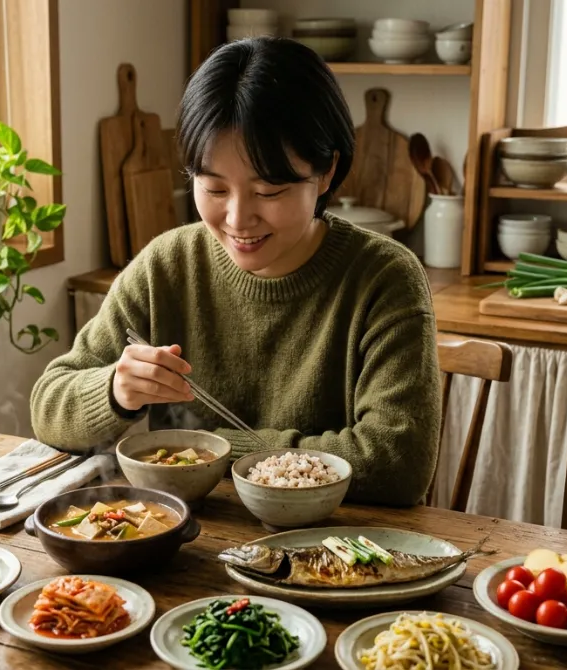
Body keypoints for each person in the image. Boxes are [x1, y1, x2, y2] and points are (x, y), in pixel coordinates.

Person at [30, 37, 440, 506]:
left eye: (268, 191)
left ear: (326, 172)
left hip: (337, 554)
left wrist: (216, 450)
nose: (238, 219)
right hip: (188, 547)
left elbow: (395, 463)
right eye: (213, 188)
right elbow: (48, 406)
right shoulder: (166, 266)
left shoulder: (384, 278)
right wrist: (115, 390)